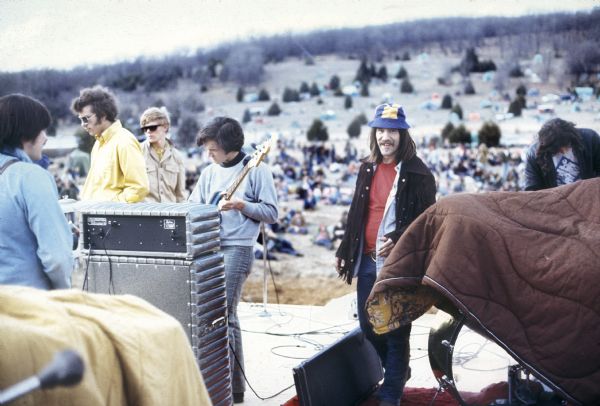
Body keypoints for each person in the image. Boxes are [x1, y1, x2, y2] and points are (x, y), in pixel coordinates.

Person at [335, 103, 436, 406]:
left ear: (403, 135)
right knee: (369, 324)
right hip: (367, 257)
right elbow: (356, 212)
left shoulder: (418, 173)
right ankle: (398, 371)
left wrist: (397, 237)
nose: (385, 136)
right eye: (380, 130)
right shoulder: (367, 167)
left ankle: (391, 392)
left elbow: (427, 220)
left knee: (396, 327)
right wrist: (344, 248)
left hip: (399, 261)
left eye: (392, 130)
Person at [188, 117, 278, 403]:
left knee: (225, 313)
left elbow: (271, 212)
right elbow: (194, 207)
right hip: (209, 246)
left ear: (229, 148)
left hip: (238, 248)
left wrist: (241, 205)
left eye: (213, 149)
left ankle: (233, 388)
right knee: (213, 314)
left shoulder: (257, 171)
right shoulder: (208, 173)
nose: (209, 154)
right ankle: (217, 381)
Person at [0, 94, 73, 290]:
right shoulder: (30, 176)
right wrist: (64, 295)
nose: (45, 137)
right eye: (42, 130)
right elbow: (57, 258)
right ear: (25, 134)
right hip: (27, 305)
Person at [71, 86, 148, 202]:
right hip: (93, 215)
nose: (83, 124)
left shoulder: (125, 142)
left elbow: (139, 188)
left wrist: (109, 207)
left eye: (86, 119)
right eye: (80, 119)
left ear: (103, 115)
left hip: (113, 217)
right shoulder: (98, 145)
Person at [525, 118, 600, 190]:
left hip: (588, 195)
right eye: (558, 150)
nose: (564, 151)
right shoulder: (534, 153)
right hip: (556, 200)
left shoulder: (590, 139)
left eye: (567, 146)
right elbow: (532, 188)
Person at [139, 107, 186, 202]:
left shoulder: (177, 157)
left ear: (165, 127)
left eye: (152, 128)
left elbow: (180, 195)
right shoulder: (137, 152)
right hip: (145, 213)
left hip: (169, 214)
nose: (148, 131)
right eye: (145, 129)